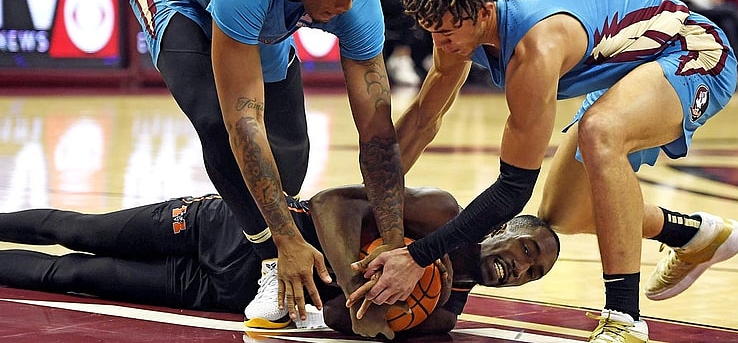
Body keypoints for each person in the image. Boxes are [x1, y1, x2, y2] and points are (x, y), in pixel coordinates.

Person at [347, 0, 738, 343]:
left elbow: (512, 189)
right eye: (432, 30)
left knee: (600, 131)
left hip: (692, 52)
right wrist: (368, 206)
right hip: (630, 69)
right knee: (566, 215)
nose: (440, 43)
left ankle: (624, 320)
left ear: (484, 12)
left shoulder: (536, 47)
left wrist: (419, 255)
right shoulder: (458, 10)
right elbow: (423, 119)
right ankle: (691, 234)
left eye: (447, 32)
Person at [127, 0, 407, 323]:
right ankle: (271, 262)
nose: (347, 5)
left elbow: (378, 135)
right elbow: (244, 122)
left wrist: (394, 242)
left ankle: (261, 242)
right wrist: (284, 241)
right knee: (217, 121)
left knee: (290, 153)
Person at [0, 185, 560, 339]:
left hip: (225, 294)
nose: (521, 268)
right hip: (239, 230)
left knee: (69, 276)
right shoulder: (441, 212)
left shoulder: (441, 312)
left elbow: (341, 319)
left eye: (533, 273)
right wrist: (358, 270)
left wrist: (361, 306)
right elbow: (331, 202)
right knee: (76, 230)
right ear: (503, 228)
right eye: (526, 250)